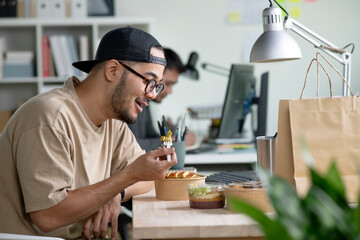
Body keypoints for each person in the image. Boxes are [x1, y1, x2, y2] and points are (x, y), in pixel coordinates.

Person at [0, 26, 177, 240]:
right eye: (148, 81)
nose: (152, 94)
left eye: (157, 87)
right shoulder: (50, 116)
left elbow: (149, 178)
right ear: (113, 70)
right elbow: (48, 217)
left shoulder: (114, 121)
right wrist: (125, 178)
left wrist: (116, 194)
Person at [128, 48, 196, 152]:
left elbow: (150, 136)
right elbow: (127, 145)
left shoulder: (144, 100)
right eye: (168, 84)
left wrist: (171, 136)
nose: (170, 91)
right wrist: (171, 142)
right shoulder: (126, 101)